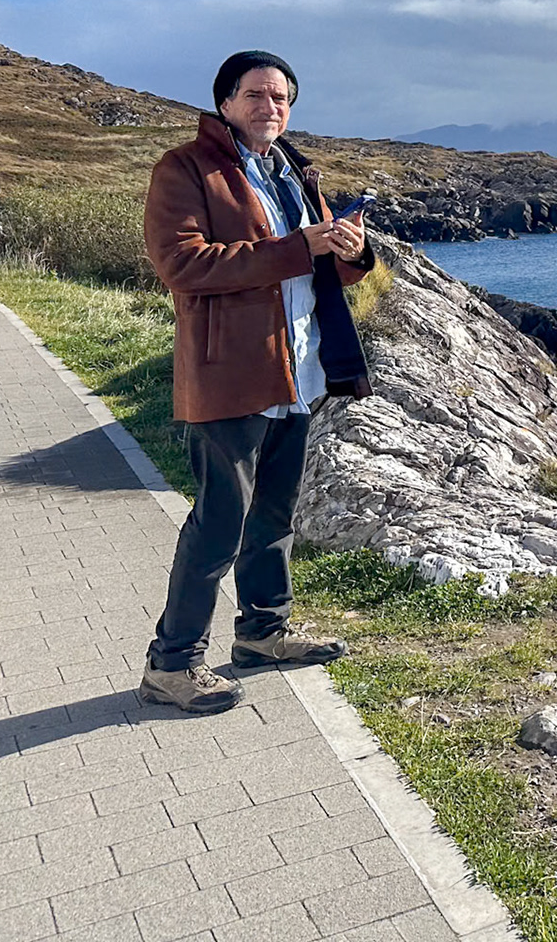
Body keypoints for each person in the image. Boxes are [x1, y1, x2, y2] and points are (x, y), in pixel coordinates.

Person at [138, 50, 377, 713]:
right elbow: (183, 264)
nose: (270, 107)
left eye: (281, 98)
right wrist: (301, 247)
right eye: (255, 95)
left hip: (297, 370)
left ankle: (262, 634)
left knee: (272, 518)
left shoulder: (295, 172)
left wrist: (350, 252)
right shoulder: (185, 169)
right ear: (224, 102)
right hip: (229, 375)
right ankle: (171, 665)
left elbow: (322, 263)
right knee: (220, 522)